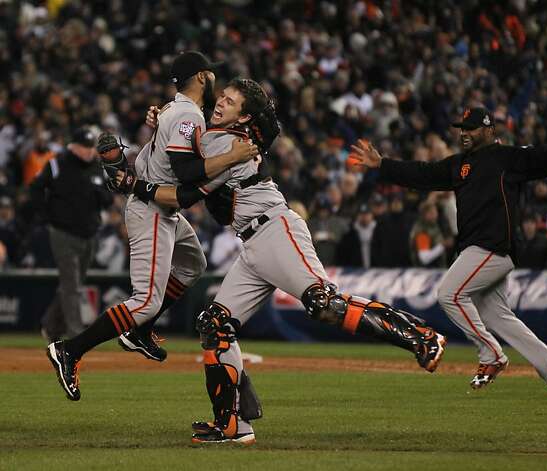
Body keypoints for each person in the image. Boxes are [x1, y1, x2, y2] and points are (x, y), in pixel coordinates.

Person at [116, 78, 447, 445]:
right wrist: (163, 121)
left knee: (324, 303)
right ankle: (233, 425)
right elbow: (187, 142)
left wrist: (141, 170)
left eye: (230, 101)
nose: (220, 102)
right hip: (252, 243)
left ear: (243, 116)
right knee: (214, 323)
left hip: (275, 228)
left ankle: (420, 334)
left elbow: (183, 187)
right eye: (221, 96)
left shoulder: (225, 141)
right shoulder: (219, 136)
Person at [351, 107, 547, 400]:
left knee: (449, 293)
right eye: (462, 128)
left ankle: (491, 355)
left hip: (492, 246)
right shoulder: (460, 165)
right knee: (496, 315)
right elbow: (422, 174)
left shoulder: (506, 158)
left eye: (470, 128)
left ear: (488, 129)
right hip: (480, 249)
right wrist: (382, 164)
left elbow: (543, 159)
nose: (464, 133)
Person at [46, 51, 258, 401]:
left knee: (193, 264)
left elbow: (178, 154)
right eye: (212, 75)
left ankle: (139, 332)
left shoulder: (178, 112)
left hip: (161, 205)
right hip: (153, 209)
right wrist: (232, 157)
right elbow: (188, 172)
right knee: (144, 301)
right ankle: (70, 349)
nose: (216, 82)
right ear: (203, 77)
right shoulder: (187, 115)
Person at [22, 127, 112, 342]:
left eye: (91, 148)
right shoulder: (57, 163)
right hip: (63, 233)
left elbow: (108, 199)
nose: (88, 152)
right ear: (73, 146)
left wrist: (100, 194)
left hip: (89, 233)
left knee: (73, 284)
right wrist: (45, 214)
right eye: (84, 147)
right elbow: (35, 188)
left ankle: (50, 325)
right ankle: (76, 335)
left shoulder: (97, 167)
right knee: (71, 284)